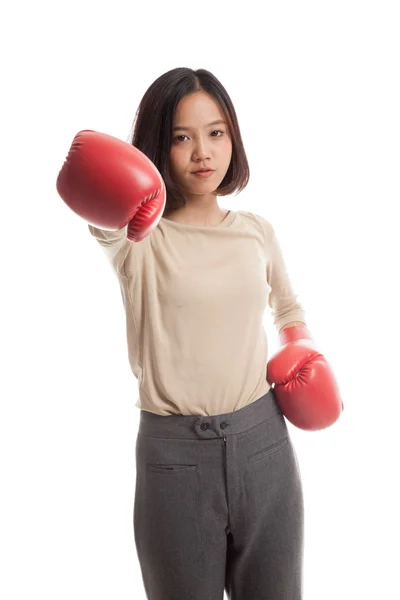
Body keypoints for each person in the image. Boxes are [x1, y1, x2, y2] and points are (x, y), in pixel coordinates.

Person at [57, 67, 341, 599]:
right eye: (181, 138)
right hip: (174, 457)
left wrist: (302, 350)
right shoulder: (138, 240)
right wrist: (129, 189)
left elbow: (288, 310)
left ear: (233, 137)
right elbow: (101, 208)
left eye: (216, 133)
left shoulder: (256, 231)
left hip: (265, 445)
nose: (202, 153)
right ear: (158, 148)